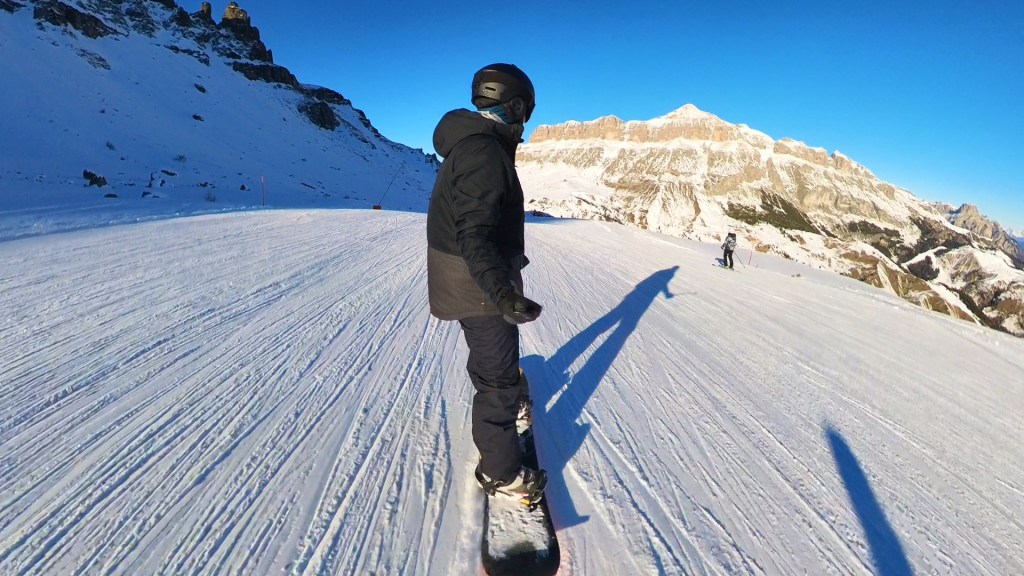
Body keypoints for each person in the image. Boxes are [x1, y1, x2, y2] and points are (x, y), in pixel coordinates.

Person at [426, 63, 546, 505]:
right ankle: (500, 472)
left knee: (492, 356)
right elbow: (474, 233)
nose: (525, 121)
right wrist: (502, 292)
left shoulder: (474, 142)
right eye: (525, 110)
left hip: (465, 278)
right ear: (512, 106)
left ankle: (511, 403)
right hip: (475, 285)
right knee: (496, 378)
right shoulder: (485, 153)